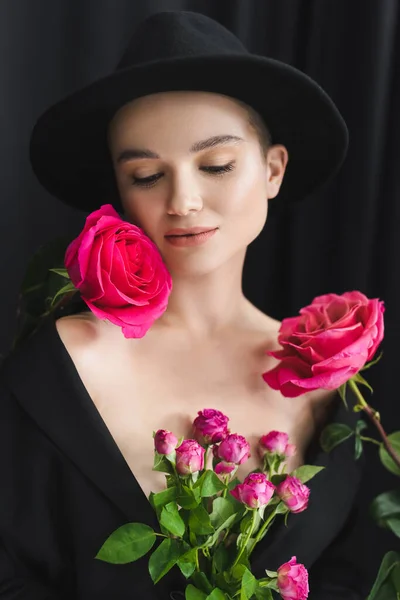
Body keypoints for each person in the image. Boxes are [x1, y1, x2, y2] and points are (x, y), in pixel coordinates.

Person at [0, 10, 366, 600]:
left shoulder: (327, 386)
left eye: (216, 165)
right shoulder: (61, 369)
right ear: (119, 192)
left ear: (272, 169)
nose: (184, 200)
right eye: (147, 175)